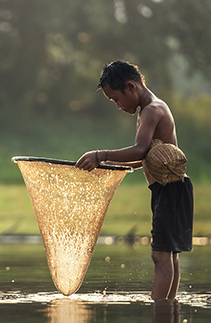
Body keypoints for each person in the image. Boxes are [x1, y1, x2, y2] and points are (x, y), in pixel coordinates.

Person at [75, 61, 193, 300]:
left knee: (161, 256)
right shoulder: (150, 109)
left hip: (170, 189)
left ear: (130, 87)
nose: (118, 106)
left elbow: (140, 151)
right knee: (169, 254)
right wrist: (107, 166)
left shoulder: (152, 110)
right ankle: (168, 309)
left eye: (116, 99)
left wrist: (100, 155)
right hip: (171, 190)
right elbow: (144, 159)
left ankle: (159, 309)